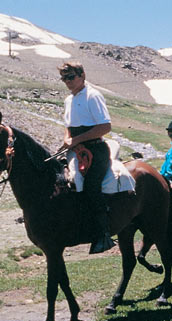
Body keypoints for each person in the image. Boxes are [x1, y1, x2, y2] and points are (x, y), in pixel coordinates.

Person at [57, 61, 115, 254]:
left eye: (71, 77)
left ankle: (103, 234)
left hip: (95, 150)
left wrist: (76, 139)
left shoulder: (93, 96)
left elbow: (105, 127)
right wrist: (67, 138)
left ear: (82, 75)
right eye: (64, 78)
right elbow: (68, 125)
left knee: (91, 186)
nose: (67, 81)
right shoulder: (68, 100)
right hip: (75, 147)